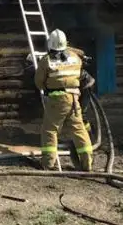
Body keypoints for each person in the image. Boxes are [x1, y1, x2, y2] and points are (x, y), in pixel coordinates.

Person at [34, 29, 96, 171]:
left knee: (50, 130)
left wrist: (47, 89)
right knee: (79, 129)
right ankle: (87, 164)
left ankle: (48, 163)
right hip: (75, 98)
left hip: (58, 99)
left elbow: (39, 82)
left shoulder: (46, 61)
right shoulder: (75, 58)